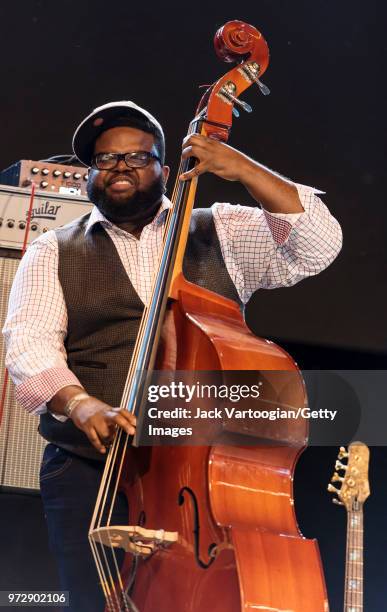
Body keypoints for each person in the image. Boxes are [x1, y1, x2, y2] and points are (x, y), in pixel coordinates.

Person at [2, 100, 342, 610]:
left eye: (137, 158)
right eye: (105, 159)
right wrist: (77, 402)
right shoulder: (52, 250)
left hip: (200, 471)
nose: (120, 167)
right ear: (87, 176)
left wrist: (243, 169)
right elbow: (28, 341)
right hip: (90, 468)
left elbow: (318, 246)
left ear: (167, 167)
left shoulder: (220, 229)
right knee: (91, 601)